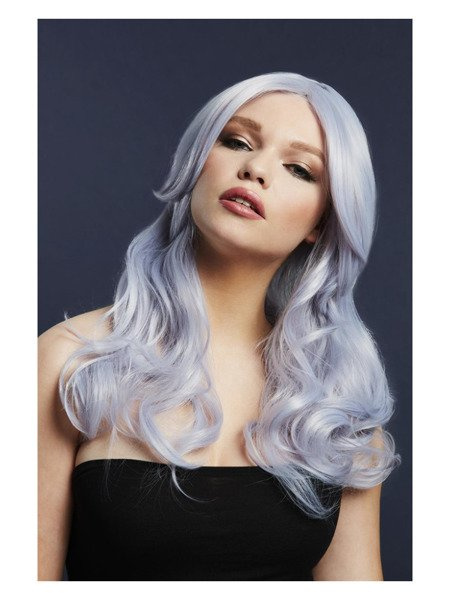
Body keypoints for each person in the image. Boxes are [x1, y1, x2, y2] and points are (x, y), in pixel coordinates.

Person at [38, 72, 401, 581]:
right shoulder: (72, 360)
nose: (255, 169)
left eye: (299, 169)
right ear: (197, 162)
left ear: (322, 221)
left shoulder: (338, 405)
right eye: (237, 141)